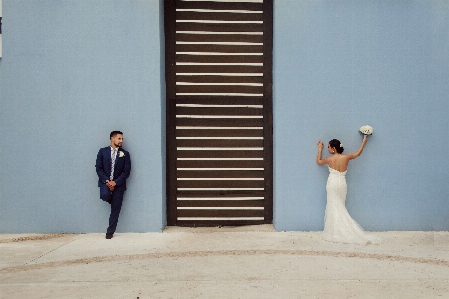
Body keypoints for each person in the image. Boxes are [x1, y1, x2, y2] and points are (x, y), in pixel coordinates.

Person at [316, 136, 384, 244]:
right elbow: (358, 153)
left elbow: (318, 161)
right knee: (340, 205)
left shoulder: (329, 159)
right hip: (342, 184)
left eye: (328, 147)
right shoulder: (346, 157)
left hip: (332, 183)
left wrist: (319, 148)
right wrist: (364, 142)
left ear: (333, 149)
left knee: (333, 205)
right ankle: (340, 230)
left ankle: (336, 231)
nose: (327, 149)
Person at [95, 131, 131, 239]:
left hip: (119, 185)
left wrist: (115, 182)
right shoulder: (102, 152)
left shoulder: (125, 154)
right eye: (119, 138)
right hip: (105, 183)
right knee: (104, 195)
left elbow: (126, 171)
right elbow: (98, 168)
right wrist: (107, 181)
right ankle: (112, 199)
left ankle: (110, 231)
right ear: (112, 138)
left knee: (116, 208)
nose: (121, 141)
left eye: (122, 139)